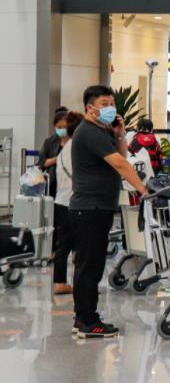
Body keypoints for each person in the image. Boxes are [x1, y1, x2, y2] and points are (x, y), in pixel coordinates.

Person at [70, 85, 150, 338]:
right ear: (90, 108)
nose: (110, 108)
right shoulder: (89, 131)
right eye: (104, 104)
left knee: (91, 265)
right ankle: (87, 321)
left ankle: (83, 318)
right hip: (90, 208)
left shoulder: (101, 131)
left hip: (97, 207)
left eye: (112, 104)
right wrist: (143, 189)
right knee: (89, 266)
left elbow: (120, 155)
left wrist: (120, 134)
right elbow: (120, 164)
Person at [51, 111, 83, 296]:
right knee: (81, 244)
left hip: (61, 201)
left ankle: (60, 282)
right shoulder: (76, 147)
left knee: (63, 245)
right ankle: (80, 284)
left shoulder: (65, 148)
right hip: (73, 202)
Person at [38, 108, 70, 199]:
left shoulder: (74, 139)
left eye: (65, 127)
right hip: (53, 183)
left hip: (70, 184)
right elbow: (42, 163)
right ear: (54, 126)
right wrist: (58, 158)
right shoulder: (49, 141)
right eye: (59, 127)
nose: (62, 129)